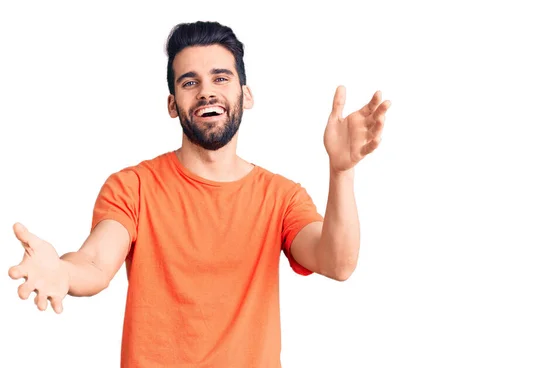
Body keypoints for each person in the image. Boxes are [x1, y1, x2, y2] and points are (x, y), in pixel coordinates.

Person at [8, 20, 391, 367]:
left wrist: (341, 171)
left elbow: (338, 263)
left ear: (246, 95)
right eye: (190, 82)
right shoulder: (134, 187)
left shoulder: (281, 197)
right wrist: (62, 270)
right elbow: (94, 262)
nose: (206, 92)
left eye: (220, 78)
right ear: (174, 104)